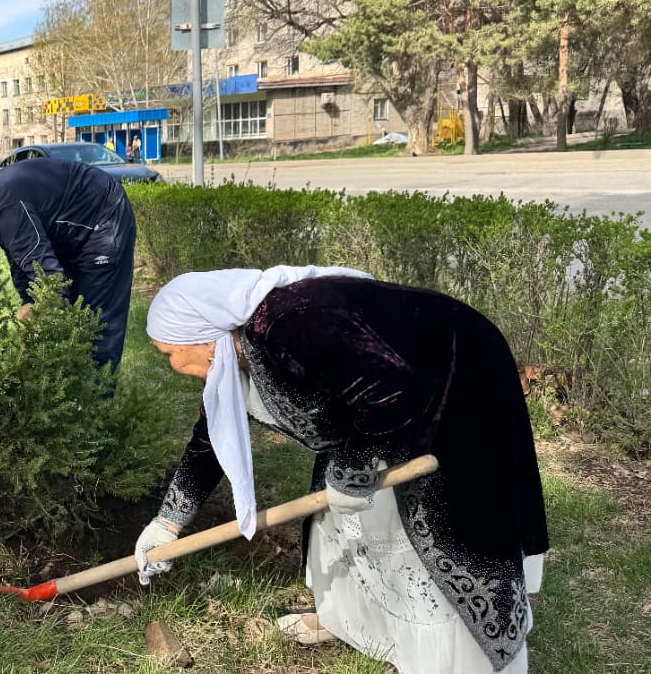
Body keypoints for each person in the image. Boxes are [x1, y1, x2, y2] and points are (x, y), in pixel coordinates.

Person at [134, 266, 549, 674]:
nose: (173, 365)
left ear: (202, 336)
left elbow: (391, 390)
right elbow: (208, 442)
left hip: (457, 377)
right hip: (383, 408)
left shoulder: (284, 325)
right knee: (346, 517)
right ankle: (358, 626)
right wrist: (167, 524)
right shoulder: (234, 353)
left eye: (169, 353)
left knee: (439, 523)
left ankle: (452, 660)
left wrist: (353, 470)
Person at [0, 157, 136, 371]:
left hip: (103, 212)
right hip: (66, 219)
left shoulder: (1, 210)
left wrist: (36, 316)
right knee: (69, 308)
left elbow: (52, 280)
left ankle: (95, 398)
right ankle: (68, 388)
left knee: (96, 320)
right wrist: (28, 298)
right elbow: (19, 251)